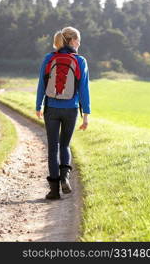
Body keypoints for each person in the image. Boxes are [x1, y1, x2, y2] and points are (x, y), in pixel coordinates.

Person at [36, 26, 91, 200]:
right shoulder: (80, 61)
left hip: (51, 108)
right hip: (71, 110)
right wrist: (86, 115)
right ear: (72, 41)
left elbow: (41, 84)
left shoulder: (48, 58)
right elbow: (84, 90)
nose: (79, 43)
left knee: (53, 149)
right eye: (78, 40)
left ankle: (53, 191)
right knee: (64, 145)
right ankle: (65, 177)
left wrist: (38, 105)